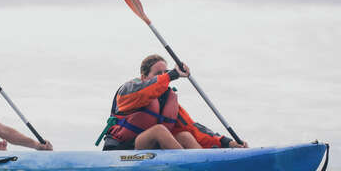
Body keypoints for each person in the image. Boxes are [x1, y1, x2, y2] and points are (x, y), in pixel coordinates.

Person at [98, 54, 248, 150]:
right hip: (123, 150)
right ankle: (192, 169)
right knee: (159, 130)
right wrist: (173, 74)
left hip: (149, 151)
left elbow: (194, 128)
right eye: (158, 74)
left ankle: (207, 166)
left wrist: (227, 143)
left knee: (185, 135)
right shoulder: (130, 90)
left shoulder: (168, 99)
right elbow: (146, 91)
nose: (164, 76)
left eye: (166, 72)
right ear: (144, 76)